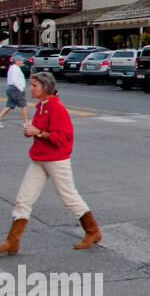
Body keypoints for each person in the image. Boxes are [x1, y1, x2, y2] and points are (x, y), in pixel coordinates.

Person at [0, 72, 102, 254]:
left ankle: (92, 231)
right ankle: (12, 242)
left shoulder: (56, 108)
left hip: (56, 160)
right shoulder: (42, 106)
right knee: (23, 199)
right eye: (31, 85)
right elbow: (41, 131)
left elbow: (62, 137)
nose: (30, 89)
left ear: (45, 88)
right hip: (39, 158)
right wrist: (32, 131)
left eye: (34, 86)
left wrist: (37, 132)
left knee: (69, 197)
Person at [0, 56, 29, 126]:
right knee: (23, 105)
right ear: (16, 61)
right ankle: (26, 122)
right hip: (16, 89)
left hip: (11, 88)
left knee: (9, 106)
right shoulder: (16, 69)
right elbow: (14, 79)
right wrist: (20, 88)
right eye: (21, 60)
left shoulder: (12, 68)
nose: (22, 62)